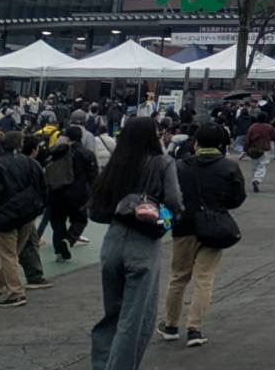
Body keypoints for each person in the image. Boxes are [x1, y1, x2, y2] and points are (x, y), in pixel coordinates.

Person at [87, 117, 182, 370]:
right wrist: (160, 221)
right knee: (136, 319)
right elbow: (174, 202)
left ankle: (102, 364)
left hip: (112, 240)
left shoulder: (115, 164)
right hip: (143, 243)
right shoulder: (163, 163)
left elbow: (95, 211)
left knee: (113, 315)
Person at [159, 123, 245, 347]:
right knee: (204, 279)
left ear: (196, 143)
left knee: (178, 277)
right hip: (213, 227)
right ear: (221, 144)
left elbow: (167, 196)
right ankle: (194, 329)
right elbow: (238, 198)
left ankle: (170, 326)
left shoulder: (179, 166)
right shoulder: (229, 167)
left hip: (184, 226)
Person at [0, 130, 47, 307]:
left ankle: (15, 292)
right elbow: (42, 187)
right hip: (27, 214)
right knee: (10, 254)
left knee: (7, 254)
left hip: (4, 215)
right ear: (20, 145)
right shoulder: (32, 163)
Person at [45, 125, 98, 260]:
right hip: (78, 194)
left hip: (56, 193)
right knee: (80, 220)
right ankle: (69, 239)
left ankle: (59, 253)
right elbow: (93, 177)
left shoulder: (57, 152)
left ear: (66, 137)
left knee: (58, 223)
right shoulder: (87, 154)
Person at [244, 112, 275, 194]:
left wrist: (245, 149)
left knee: (254, 165)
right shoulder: (269, 127)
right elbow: (273, 136)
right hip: (264, 148)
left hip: (253, 148)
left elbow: (248, 138)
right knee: (262, 165)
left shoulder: (253, 127)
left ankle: (254, 179)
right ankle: (257, 179)